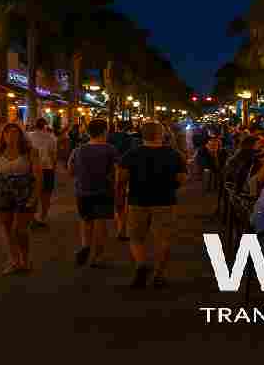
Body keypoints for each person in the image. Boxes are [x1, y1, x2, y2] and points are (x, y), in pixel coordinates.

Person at [116, 122, 187, 289]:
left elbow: (121, 178)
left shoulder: (131, 154)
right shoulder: (173, 154)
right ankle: (158, 275)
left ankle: (141, 264)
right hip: (165, 200)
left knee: (135, 237)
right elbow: (182, 179)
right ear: (161, 135)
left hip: (137, 200)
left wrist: (120, 196)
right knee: (163, 239)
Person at [0, 122, 42, 274]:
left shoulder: (30, 151)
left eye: (15, 133)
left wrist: (35, 196)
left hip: (24, 192)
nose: (11, 136)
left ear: (20, 135)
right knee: (7, 229)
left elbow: (38, 176)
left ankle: (25, 258)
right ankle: (15, 260)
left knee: (19, 229)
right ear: (2, 135)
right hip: (2, 192)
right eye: (7, 133)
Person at [68, 118, 120, 268]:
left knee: (85, 221)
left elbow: (70, 169)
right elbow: (116, 171)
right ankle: (98, 256)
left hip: (82, 190)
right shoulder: (110, 149)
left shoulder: (78, 149)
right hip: (103, 190)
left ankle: (85, 245)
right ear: (105, 131)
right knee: (100, 223)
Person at [26, 118, 57, 228]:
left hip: (32, 168)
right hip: (47, 168)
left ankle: (33, 217)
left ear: (34, 125)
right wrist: (54, 167)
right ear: (45, 125)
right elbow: (53, 155)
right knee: (46, 194)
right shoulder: (51, 137)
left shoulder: (28, 136)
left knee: (33, 193)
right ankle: (43, 217)